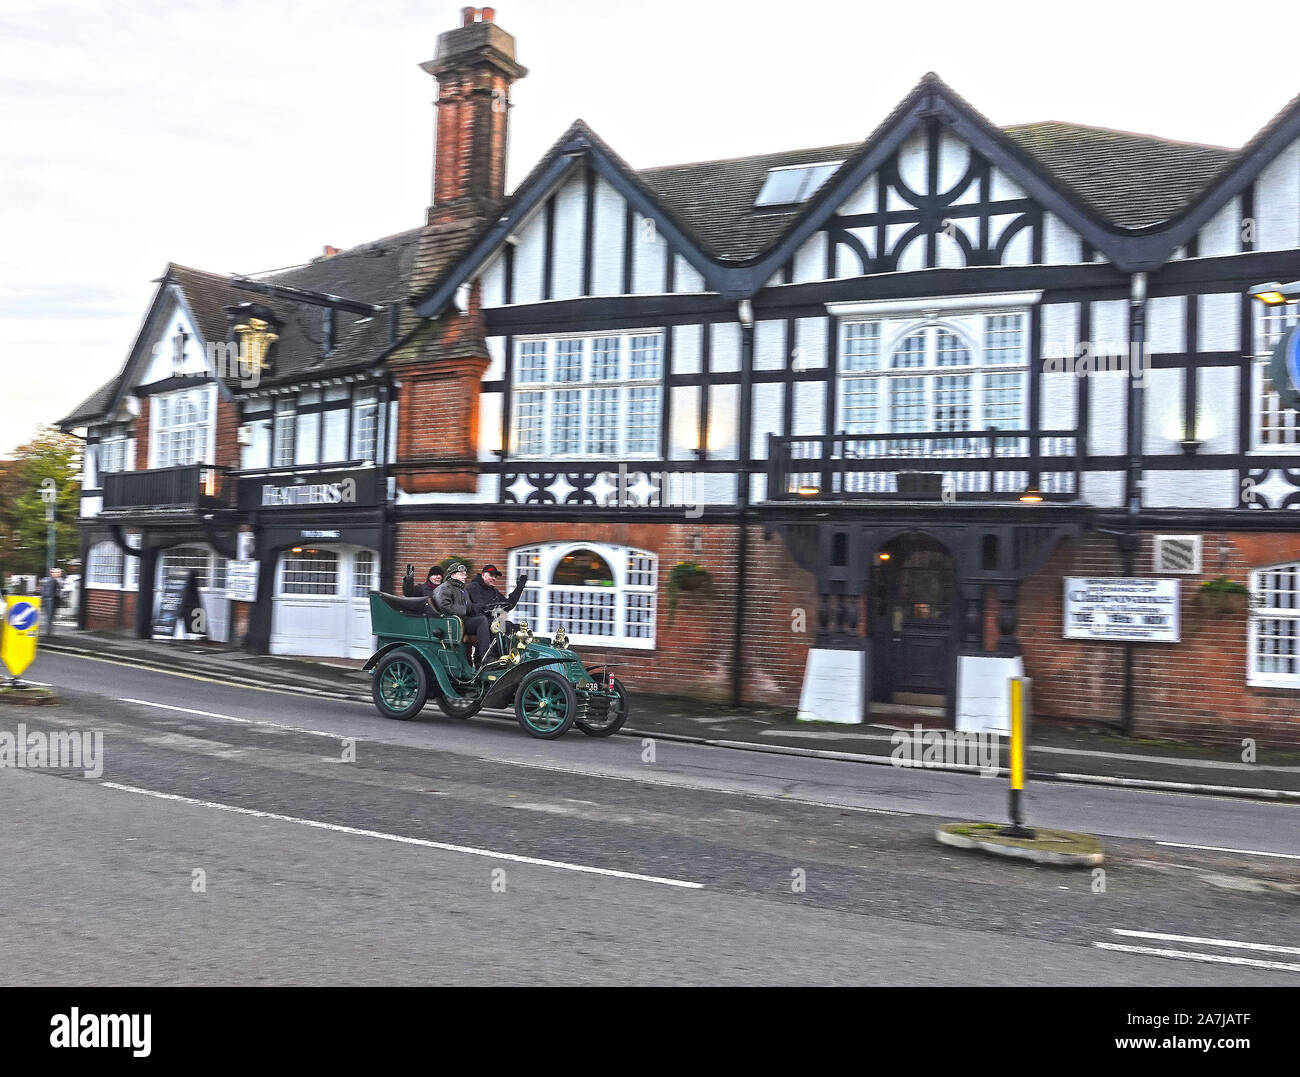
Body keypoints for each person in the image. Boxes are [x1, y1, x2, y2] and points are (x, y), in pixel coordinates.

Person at [432, 562, 491, 667]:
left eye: (465, 574)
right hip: (451, 624)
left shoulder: (462, 589)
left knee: (490, 622)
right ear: (452, 575)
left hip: (462, 621)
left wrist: (478, 608)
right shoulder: (444, 588)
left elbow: (468, 606)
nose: (465, 576)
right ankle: (486, 658)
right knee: (481, 620)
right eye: (461, 574)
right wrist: (468, 609)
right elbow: (445, 606)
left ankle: (481, 661)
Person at [468, 564, 528, 655]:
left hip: (492, 622)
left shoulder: (493, 591)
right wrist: (496, 610)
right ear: (483, 575)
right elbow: (482, 606)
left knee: (515, 629)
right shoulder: (473, 587)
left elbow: (508, 605)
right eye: (491, 575)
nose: (494, 578)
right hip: (478, 623)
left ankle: (512, 656)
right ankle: (489, 659)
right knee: (500, 628)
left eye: (495, 576)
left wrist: (519, 588)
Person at [39, 568, 63, 637]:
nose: (59, 573)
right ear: (52, 573)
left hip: (49, 600)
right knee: (50, 616)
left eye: (59, 572)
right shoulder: (53, 580)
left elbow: (42, 590)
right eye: (57, 572)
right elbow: (57, 591)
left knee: (49, 617)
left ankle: (49, 631)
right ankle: (49, 632)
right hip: (51, 600)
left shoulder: (46, 580)